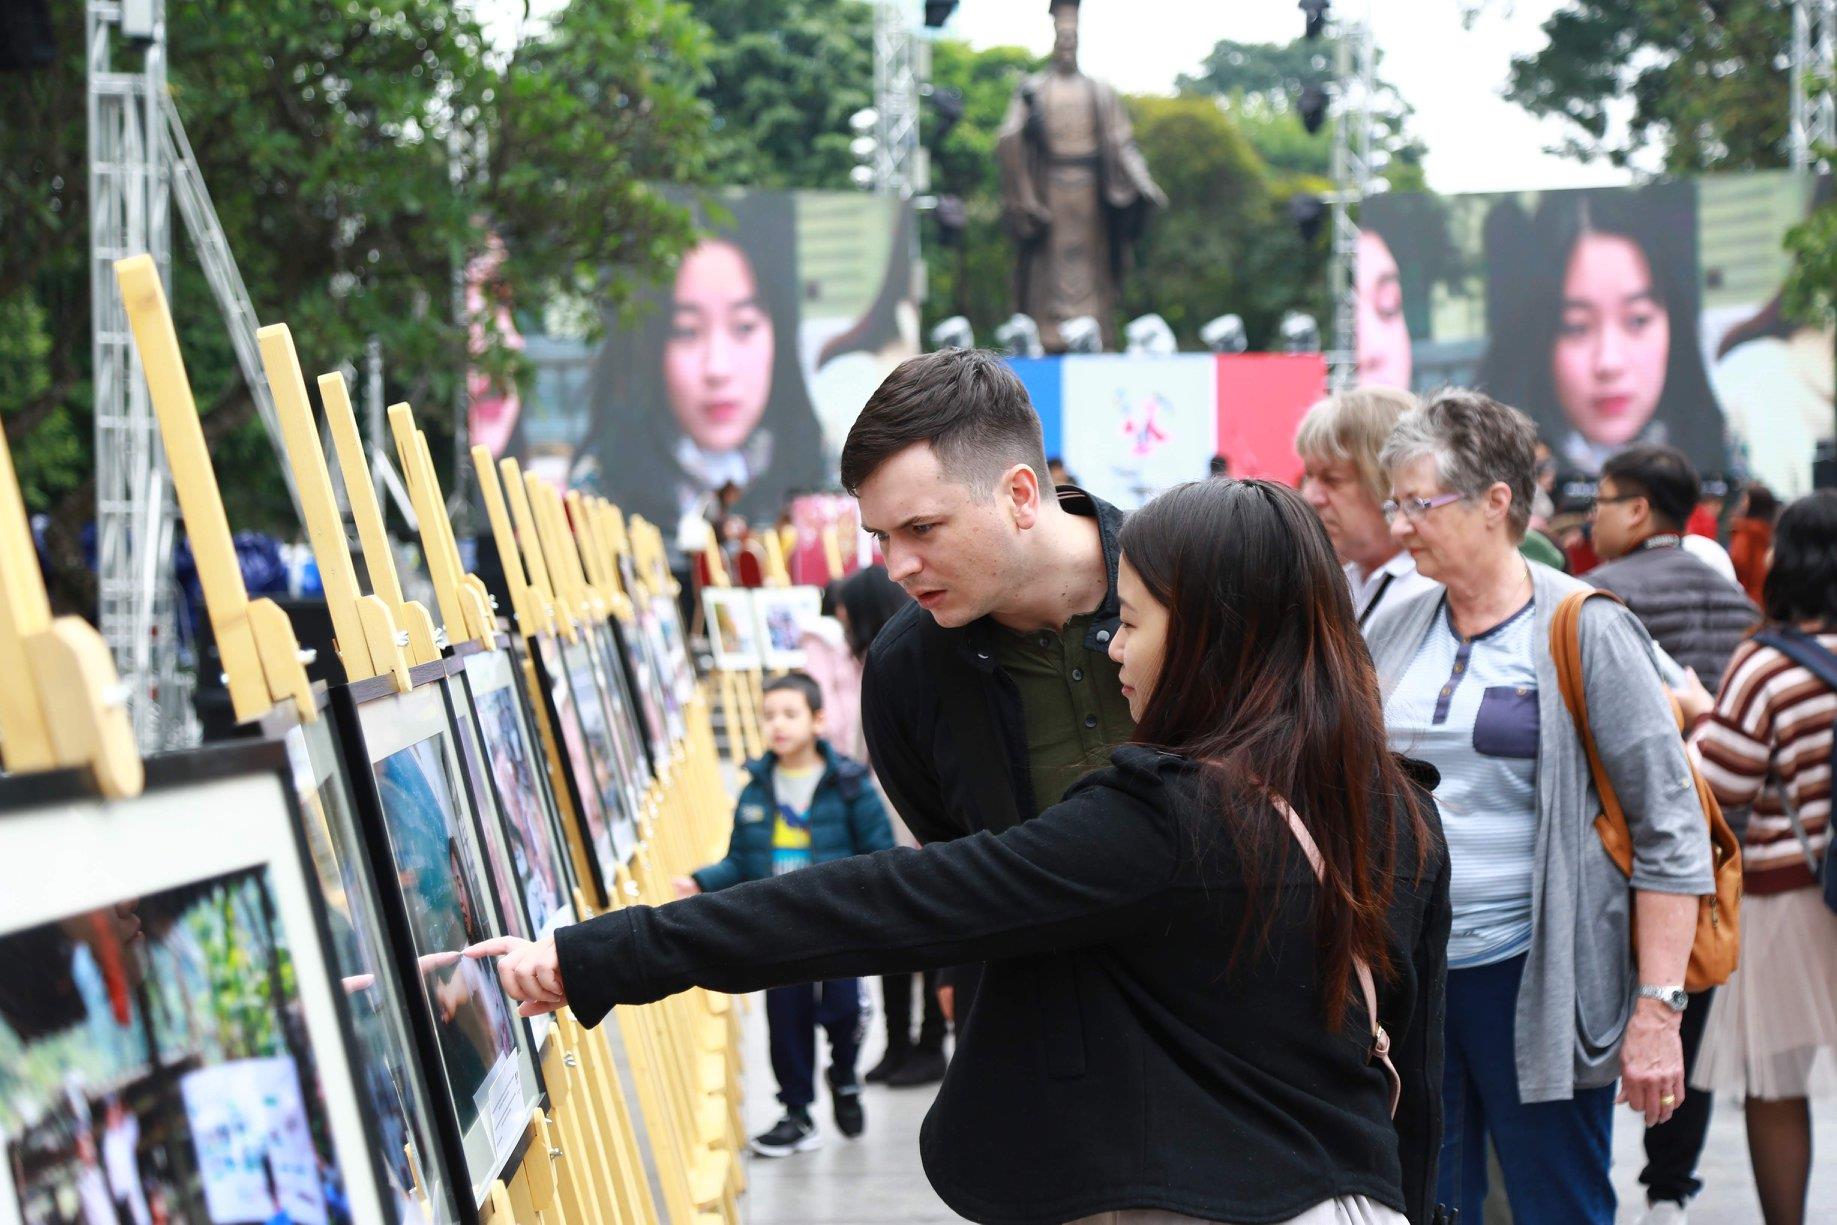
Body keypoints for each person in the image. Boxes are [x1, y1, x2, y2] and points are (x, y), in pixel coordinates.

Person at [469, 477, 1452, 1225]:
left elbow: (888, 902)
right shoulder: (1396, 810)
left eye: (1137, 621)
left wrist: (593, 954)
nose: (1113, 650)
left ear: (1209, 641)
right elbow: (1414, 1073)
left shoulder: (1167, 821)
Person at [1364, 390, 1714, 1224]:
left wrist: (1657, 1011)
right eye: (1395, 503)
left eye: (1420, 502)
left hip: (1536, 973)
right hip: (1412, 974)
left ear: (1496, 503)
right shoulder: (1392, 617)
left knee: (1556, 1202)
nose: (1401, 523)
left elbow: (1670, 830)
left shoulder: (1582, 626)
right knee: (1422, 1201)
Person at [840, 348, 1135, 1029]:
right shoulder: (902, 668)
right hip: (1042, 1047)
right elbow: (951, 871)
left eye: (921, 528)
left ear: (1020, 494)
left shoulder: (1193, 585)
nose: (896, 567)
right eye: (881, 537)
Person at [1582, 444, 1758, 1222]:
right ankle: (1669, 1187)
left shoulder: (1595, 598)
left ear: (1636, 510)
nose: (1591, 515)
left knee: (1597, 1012)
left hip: (1623, 848)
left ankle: (1596, 1166)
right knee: (1689, 1009)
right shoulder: (1737, 602)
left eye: (1601, 499)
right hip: (1721, 849)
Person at [1677, 490, 1837, 1225]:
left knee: (1776, 1084)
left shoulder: (1765, 663)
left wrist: (1693, 717)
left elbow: (1720, 784)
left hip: (1790, 899)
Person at [671, 673, 894, 1155]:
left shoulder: (851, 784)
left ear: (818, 719)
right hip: (776, 928)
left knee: (844, 1011)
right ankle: (797, 1113)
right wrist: (702, 881)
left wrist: (868, 907)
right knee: (786, 1021)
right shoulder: (756, 787)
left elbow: (880, 854)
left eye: (790, 714)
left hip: (837, 926)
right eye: (769, 715)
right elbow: (740, 858)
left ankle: (845, 1076)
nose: (777, 724)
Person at [577, 192, 825, 534]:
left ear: (778, 335)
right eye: (687, 332)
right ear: (651, 347)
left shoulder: (824, 476)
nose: (717, 369)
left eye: (744, 327)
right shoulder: (599, 491)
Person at [1476, 185, 1727, 477]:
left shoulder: (1729, 453)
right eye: (1577, 327)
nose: (1609, 362)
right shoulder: (1490, 476)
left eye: (1637, 320)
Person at [1296, 387, 1441, 629]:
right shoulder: (1336, 581)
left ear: (1390, 482)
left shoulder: (1435, 591)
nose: (1310, 497)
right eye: (1308, 477)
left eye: (1332, 479)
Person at [1729, 482, 1779, 606]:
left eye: (1745, 499)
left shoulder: (1744, 532)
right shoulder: (1774, 532)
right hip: (1770, 601)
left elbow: (1738, 562)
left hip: (1746, 601)